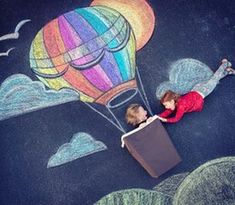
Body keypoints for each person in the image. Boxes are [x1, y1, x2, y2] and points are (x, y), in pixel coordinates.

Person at [126, 59, 235, 125]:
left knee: (214, 79)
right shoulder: (175, 104)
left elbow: (176, 118)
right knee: (213, 80)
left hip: (202, 92)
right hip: (196, 90)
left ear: (172, 101)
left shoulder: (181, 106)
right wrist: (157, 117)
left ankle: (225, 64)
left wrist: (164, 120)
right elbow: (168, 112)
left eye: (167, 105)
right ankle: (227, 72)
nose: (167, 108)